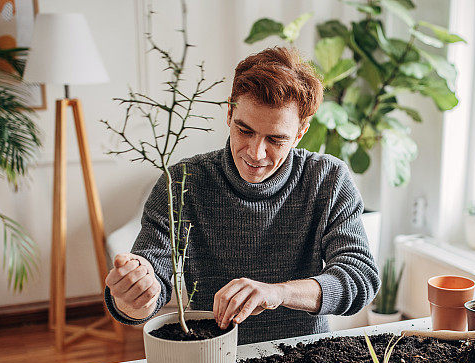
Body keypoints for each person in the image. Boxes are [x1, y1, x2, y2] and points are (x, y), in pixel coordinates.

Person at [104, 47, 380, 345]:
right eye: (244, 130)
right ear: (229, 113)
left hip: (305, 355)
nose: (255, 152)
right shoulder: (183, 182)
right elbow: (149, 283)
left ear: (300, 132)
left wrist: (278, 292)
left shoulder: (328, 179)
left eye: (275, 139)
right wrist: (135, 296)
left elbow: (359, 277)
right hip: (214, 358)